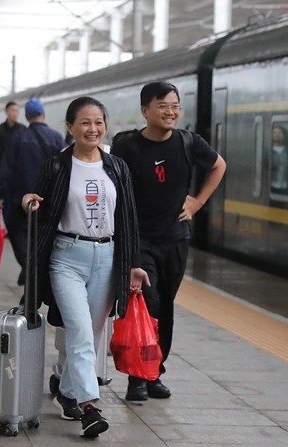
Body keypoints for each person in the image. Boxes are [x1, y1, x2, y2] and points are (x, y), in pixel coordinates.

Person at [22, 96, 149, 438]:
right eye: (85, 123)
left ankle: (67, 392)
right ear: (70, 127)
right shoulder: (57, 166)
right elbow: (38, 202)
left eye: (98, 122)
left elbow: (128, 218)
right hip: (67, 257)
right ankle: (89, 406)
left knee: (91, 336)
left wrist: (134, 264)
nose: (93, 129)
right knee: (79, 333)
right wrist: (28, 202)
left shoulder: (117, 167)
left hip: (108, 257)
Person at [110, 81, 226, 401]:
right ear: (145, 110)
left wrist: (198, 202)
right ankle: (137, 377)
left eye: (175, 106)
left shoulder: (189, 142)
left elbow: (219, 165)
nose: (170, 112)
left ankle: (155, 373)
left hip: (175, 239)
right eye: (162, 106)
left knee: (166, 307)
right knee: (147, 304)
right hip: (139, 239)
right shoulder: (127, 146)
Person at [0, 98, 65, 286]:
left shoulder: (17, 137)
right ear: (43, 115)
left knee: (17, 233)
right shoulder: (56, 137)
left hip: (18, 199)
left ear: (27, 116)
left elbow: (6, 169)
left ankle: (28, 266)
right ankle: (32, 268)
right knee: (39, 236)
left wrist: (1, 195)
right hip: (47, 200)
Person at [0, 101, 24, 180]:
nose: (15, 113)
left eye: (17, 111)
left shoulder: (22, 129)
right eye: (12, 110)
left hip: (18, 167)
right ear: (6, 111)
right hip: (3, 166)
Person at [270, 124, 288, 197]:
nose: (277, 135)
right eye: (274, 132)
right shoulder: (267, 151)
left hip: (287, 187)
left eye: (280, 132)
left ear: (285, 135)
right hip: (270, 187)